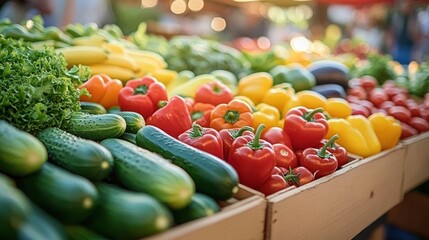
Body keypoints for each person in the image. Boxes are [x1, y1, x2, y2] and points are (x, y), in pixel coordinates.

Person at [386, 0, 419, 64]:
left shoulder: (414, 17)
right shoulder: (396, 16)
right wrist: (391, 45)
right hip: (399, 45)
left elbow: (416, 36)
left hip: (410, 46)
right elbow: (391, 31)